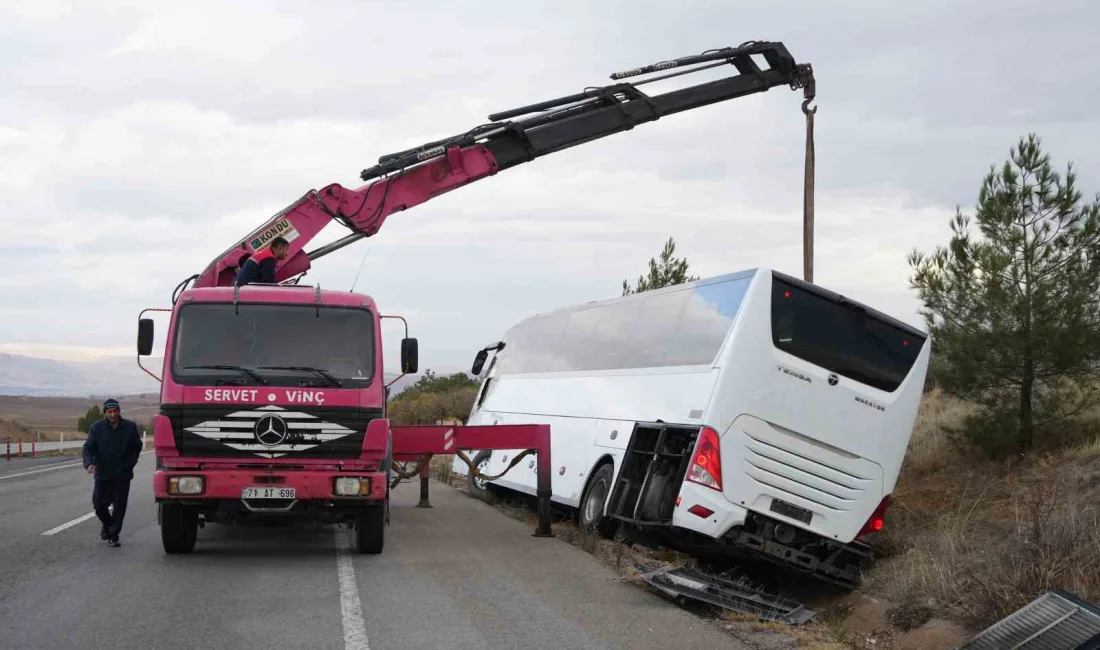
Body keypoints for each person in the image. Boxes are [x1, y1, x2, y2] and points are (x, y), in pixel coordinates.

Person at [82, 398, 142, 547]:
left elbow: (136, 448)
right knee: (99, 505)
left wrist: (129, 464)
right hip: (103, 474)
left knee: (119, 507)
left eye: (115, 411)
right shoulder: (96, 428)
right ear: (105, 413)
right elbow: (88, 447)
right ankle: (107, 525)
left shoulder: (130, 427)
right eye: (110, 412)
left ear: (119, 411)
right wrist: (89, 463)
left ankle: (113, 535)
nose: (113, 414)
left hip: (123, 475)